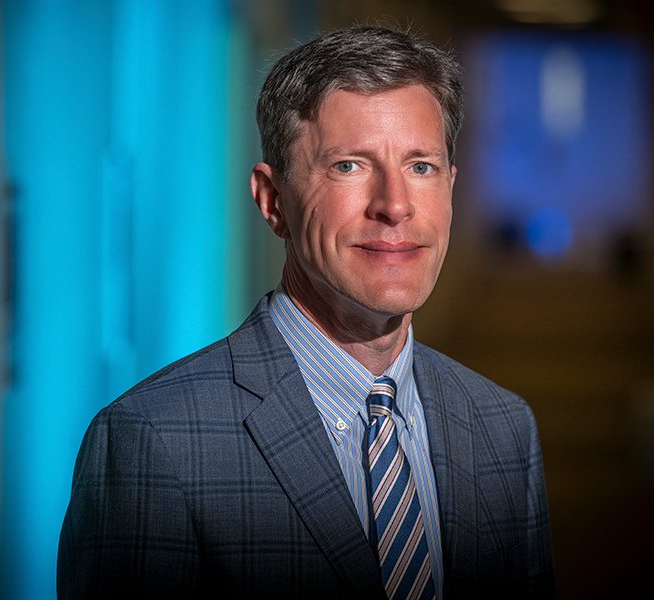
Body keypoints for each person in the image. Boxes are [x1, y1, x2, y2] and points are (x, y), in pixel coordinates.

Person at [57, 26, 556, 599]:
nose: (395, 205)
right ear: (273, 201)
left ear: (450, 188)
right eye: (349, 166)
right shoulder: (152, 442)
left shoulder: (503, 427)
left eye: (421, 166)